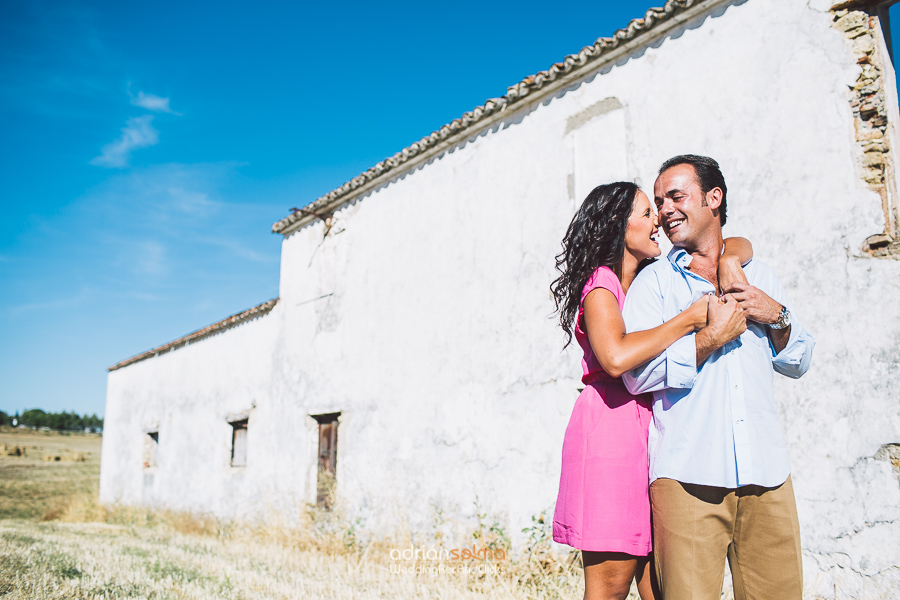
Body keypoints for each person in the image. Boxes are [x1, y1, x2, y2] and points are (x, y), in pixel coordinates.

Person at [622, 155, 815, 600]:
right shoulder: (654, 286)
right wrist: (710, 338)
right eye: (657, 201)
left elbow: (799, 362)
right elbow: (638, 376)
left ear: (714, 198)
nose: (665, 209)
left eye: (676, 196)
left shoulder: (758, 275)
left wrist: (778, 317)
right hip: (688, 479)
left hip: (767, 476)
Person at [550, 181, 752, 600]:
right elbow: (616, 358)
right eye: (645, 213)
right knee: (609, 587)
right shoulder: (602, 283)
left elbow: (736, 242)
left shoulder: (648, 278)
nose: (657, 219)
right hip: (611, 432)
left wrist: (730, 259)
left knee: (662, 586)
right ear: (617, 227)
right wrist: (689, 318)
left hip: (650, 434)